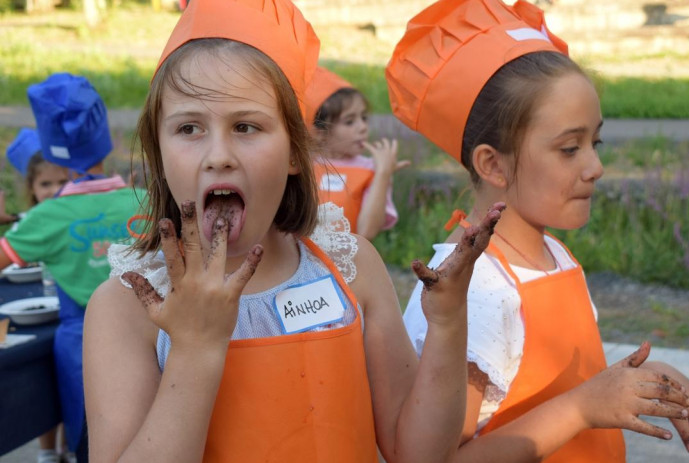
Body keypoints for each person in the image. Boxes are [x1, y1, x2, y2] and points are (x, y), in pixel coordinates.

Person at [82, 0, 503, 461]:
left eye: (246, 126)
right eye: (188, 128)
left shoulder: (352, 265)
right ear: (158, 152)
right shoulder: (128, 307)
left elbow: (418, 453)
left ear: (293, 155)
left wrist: (446, 322)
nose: (218, 155)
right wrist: (195, 350)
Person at [388, 0, 689, 461]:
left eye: (596, 142)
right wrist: (582, 408)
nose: (596, 166)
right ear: (492, 163)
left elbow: (538, 391)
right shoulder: (475, 292)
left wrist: (642, 381)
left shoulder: (552, 251)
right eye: (570, 148)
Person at [0, 73, 147, 463]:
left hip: (82, 350)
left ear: (49, 151)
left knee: (92, 442)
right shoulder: (147, 200)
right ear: (107, 139)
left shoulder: (47, 216)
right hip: (153, 340)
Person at [4, 128, 70, 462]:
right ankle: (47, 451)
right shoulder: (29, 223)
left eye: (60, 182)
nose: (54, 191)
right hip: (40, 304)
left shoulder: (71, 216)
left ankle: (65, 445)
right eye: (45, 185)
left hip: (64, 311)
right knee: (44, 380)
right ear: (31, 189)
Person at [305, 66, 409, 240]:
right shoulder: (303, 166)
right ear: (319, 132)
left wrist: (383, 174)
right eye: (349, 121)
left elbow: (366, 233)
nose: (362, 127)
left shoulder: (371, 170)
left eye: (364, 117)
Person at [1, 128, 69, 226]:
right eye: (45, 184)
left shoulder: (85, 217)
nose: (55, 191)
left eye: (63, 182)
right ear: (32, 187)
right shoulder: (25, 226)